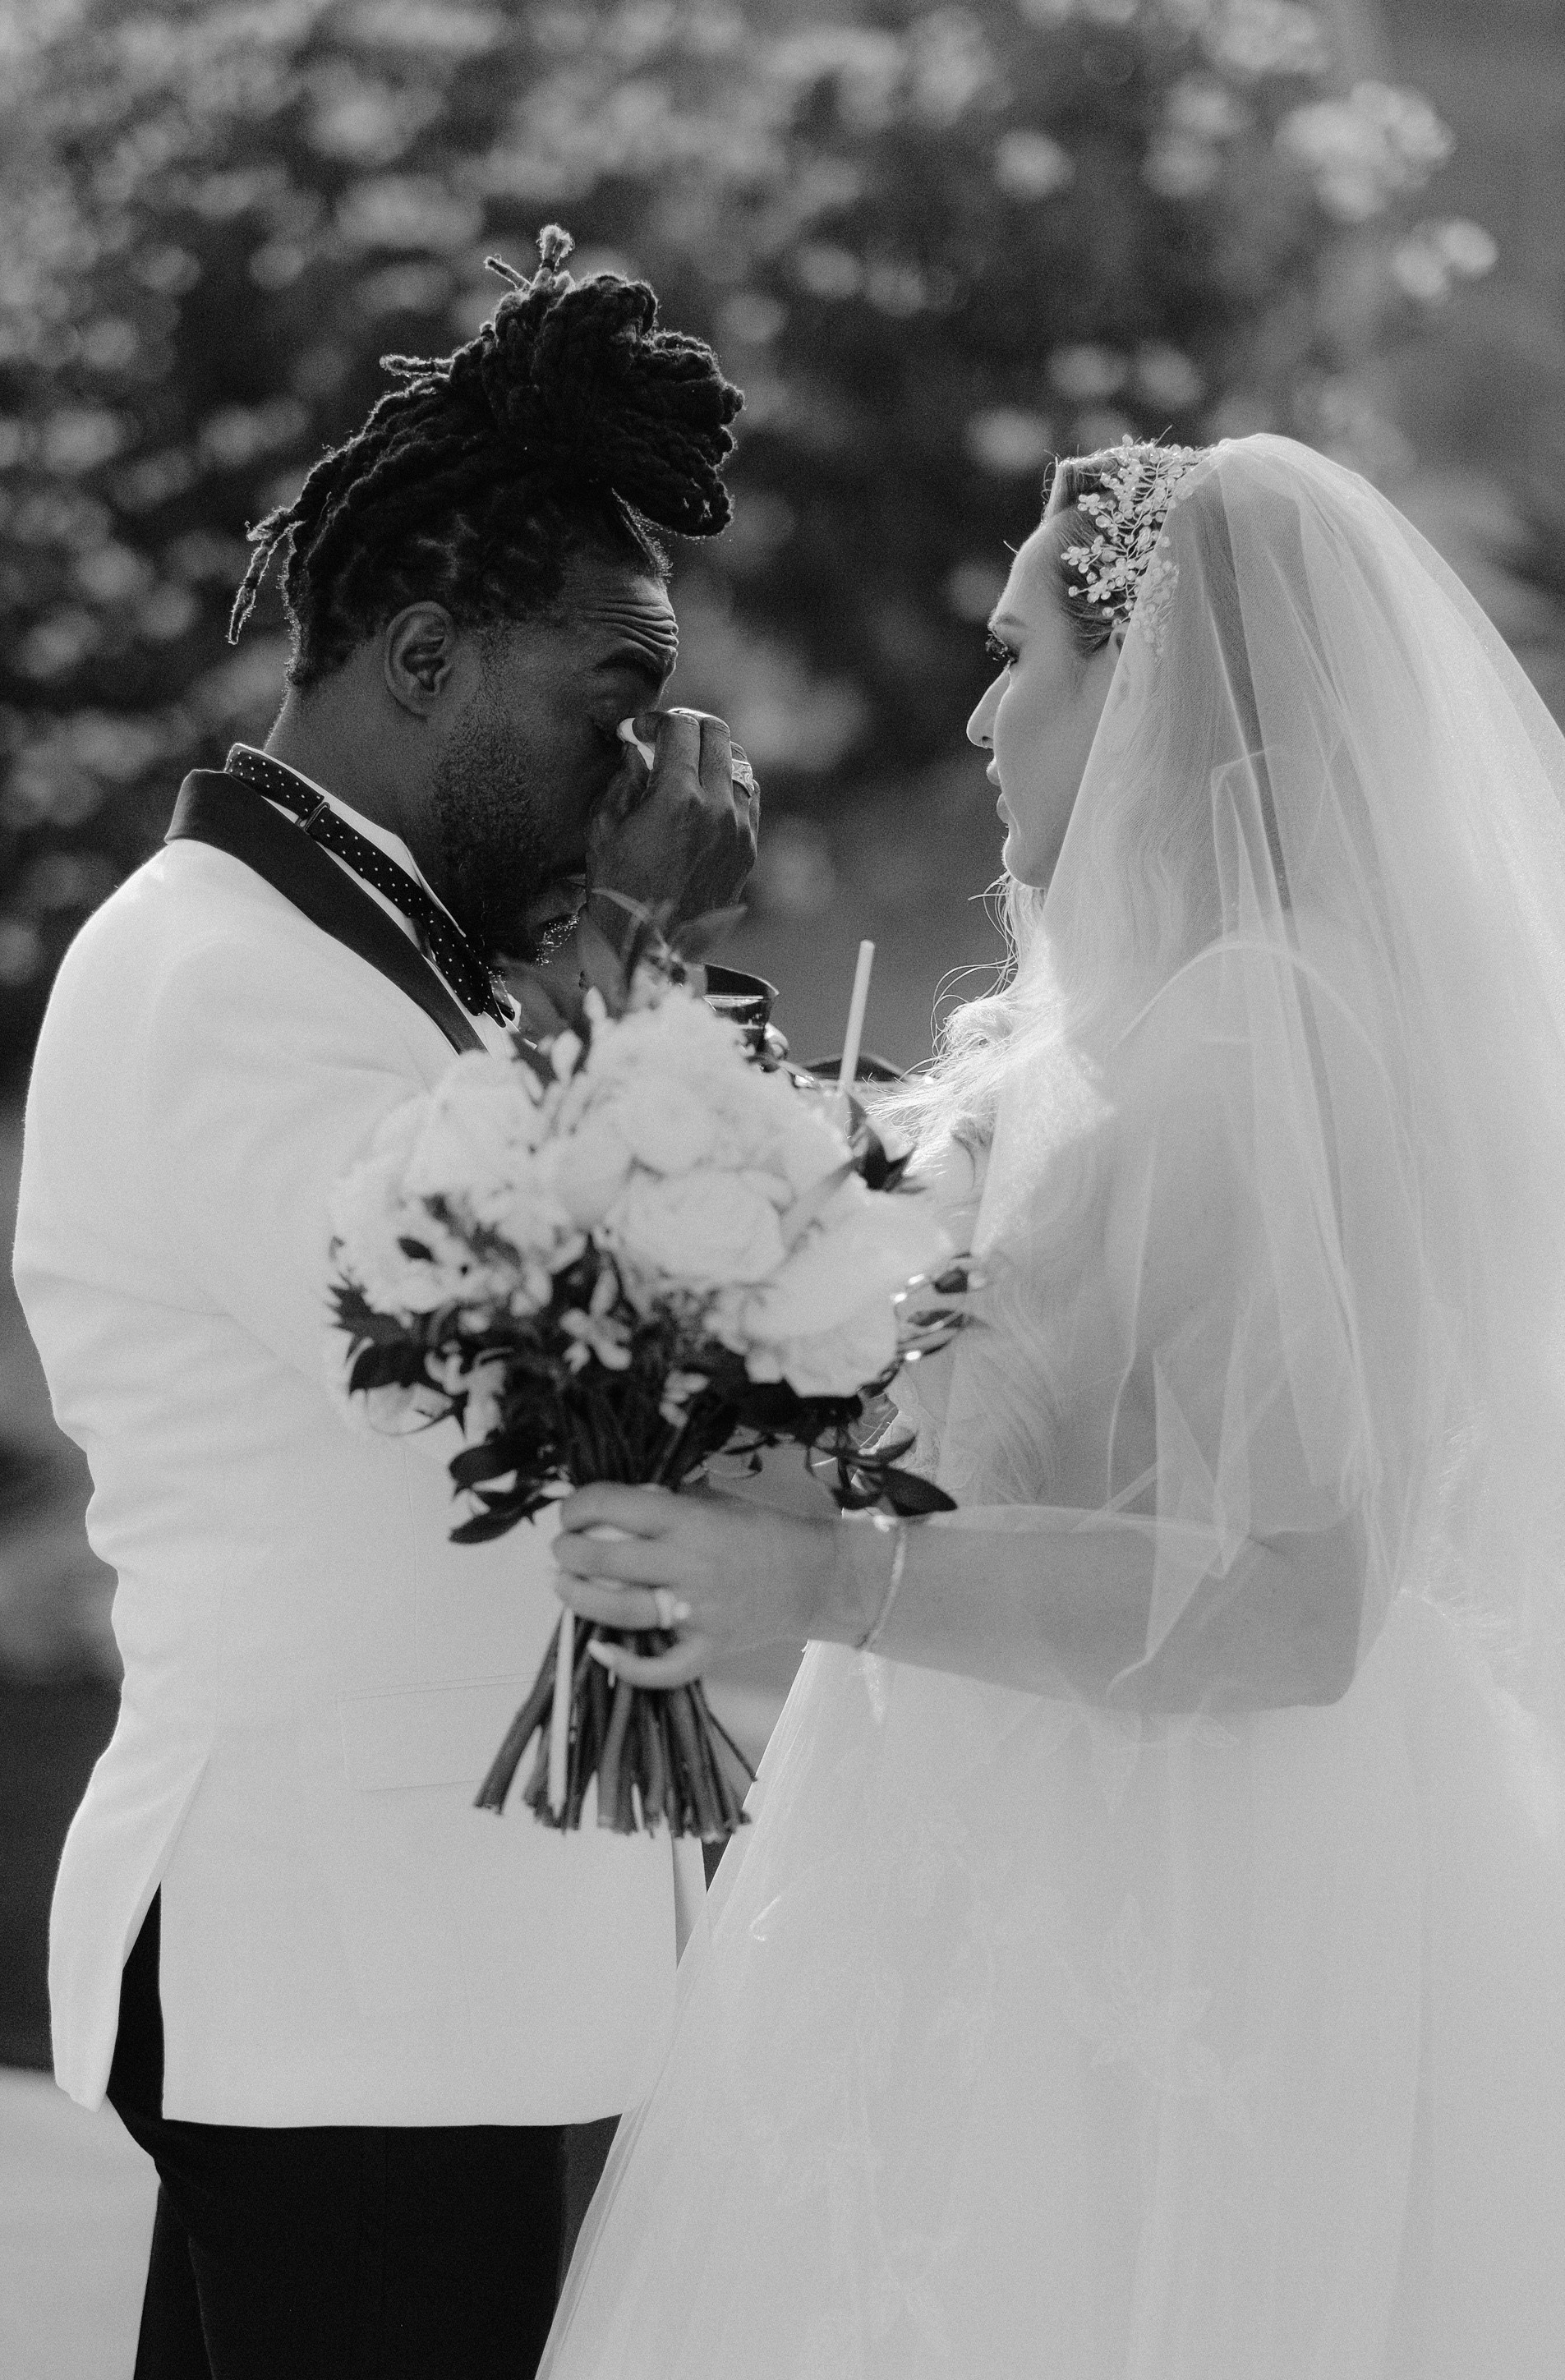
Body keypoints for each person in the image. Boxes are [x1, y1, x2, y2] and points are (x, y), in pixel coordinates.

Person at [539, 434, 1565, 2377]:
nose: (983, 711)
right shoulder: (1130, 1037)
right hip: (983, 1830)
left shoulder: (1262, 1036)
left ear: (1155, 691)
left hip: (1184, 1888)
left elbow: (1297, 1599)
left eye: (1023, 658)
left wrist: (824, 1583)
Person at [12, 228, 758, 2380]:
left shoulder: (383, 963)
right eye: (616, 692)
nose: (657, 760)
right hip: (349, 1972)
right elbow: (505, 1373)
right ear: (423, 656)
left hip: (449, 1973)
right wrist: (634, 966)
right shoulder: (223, 980)